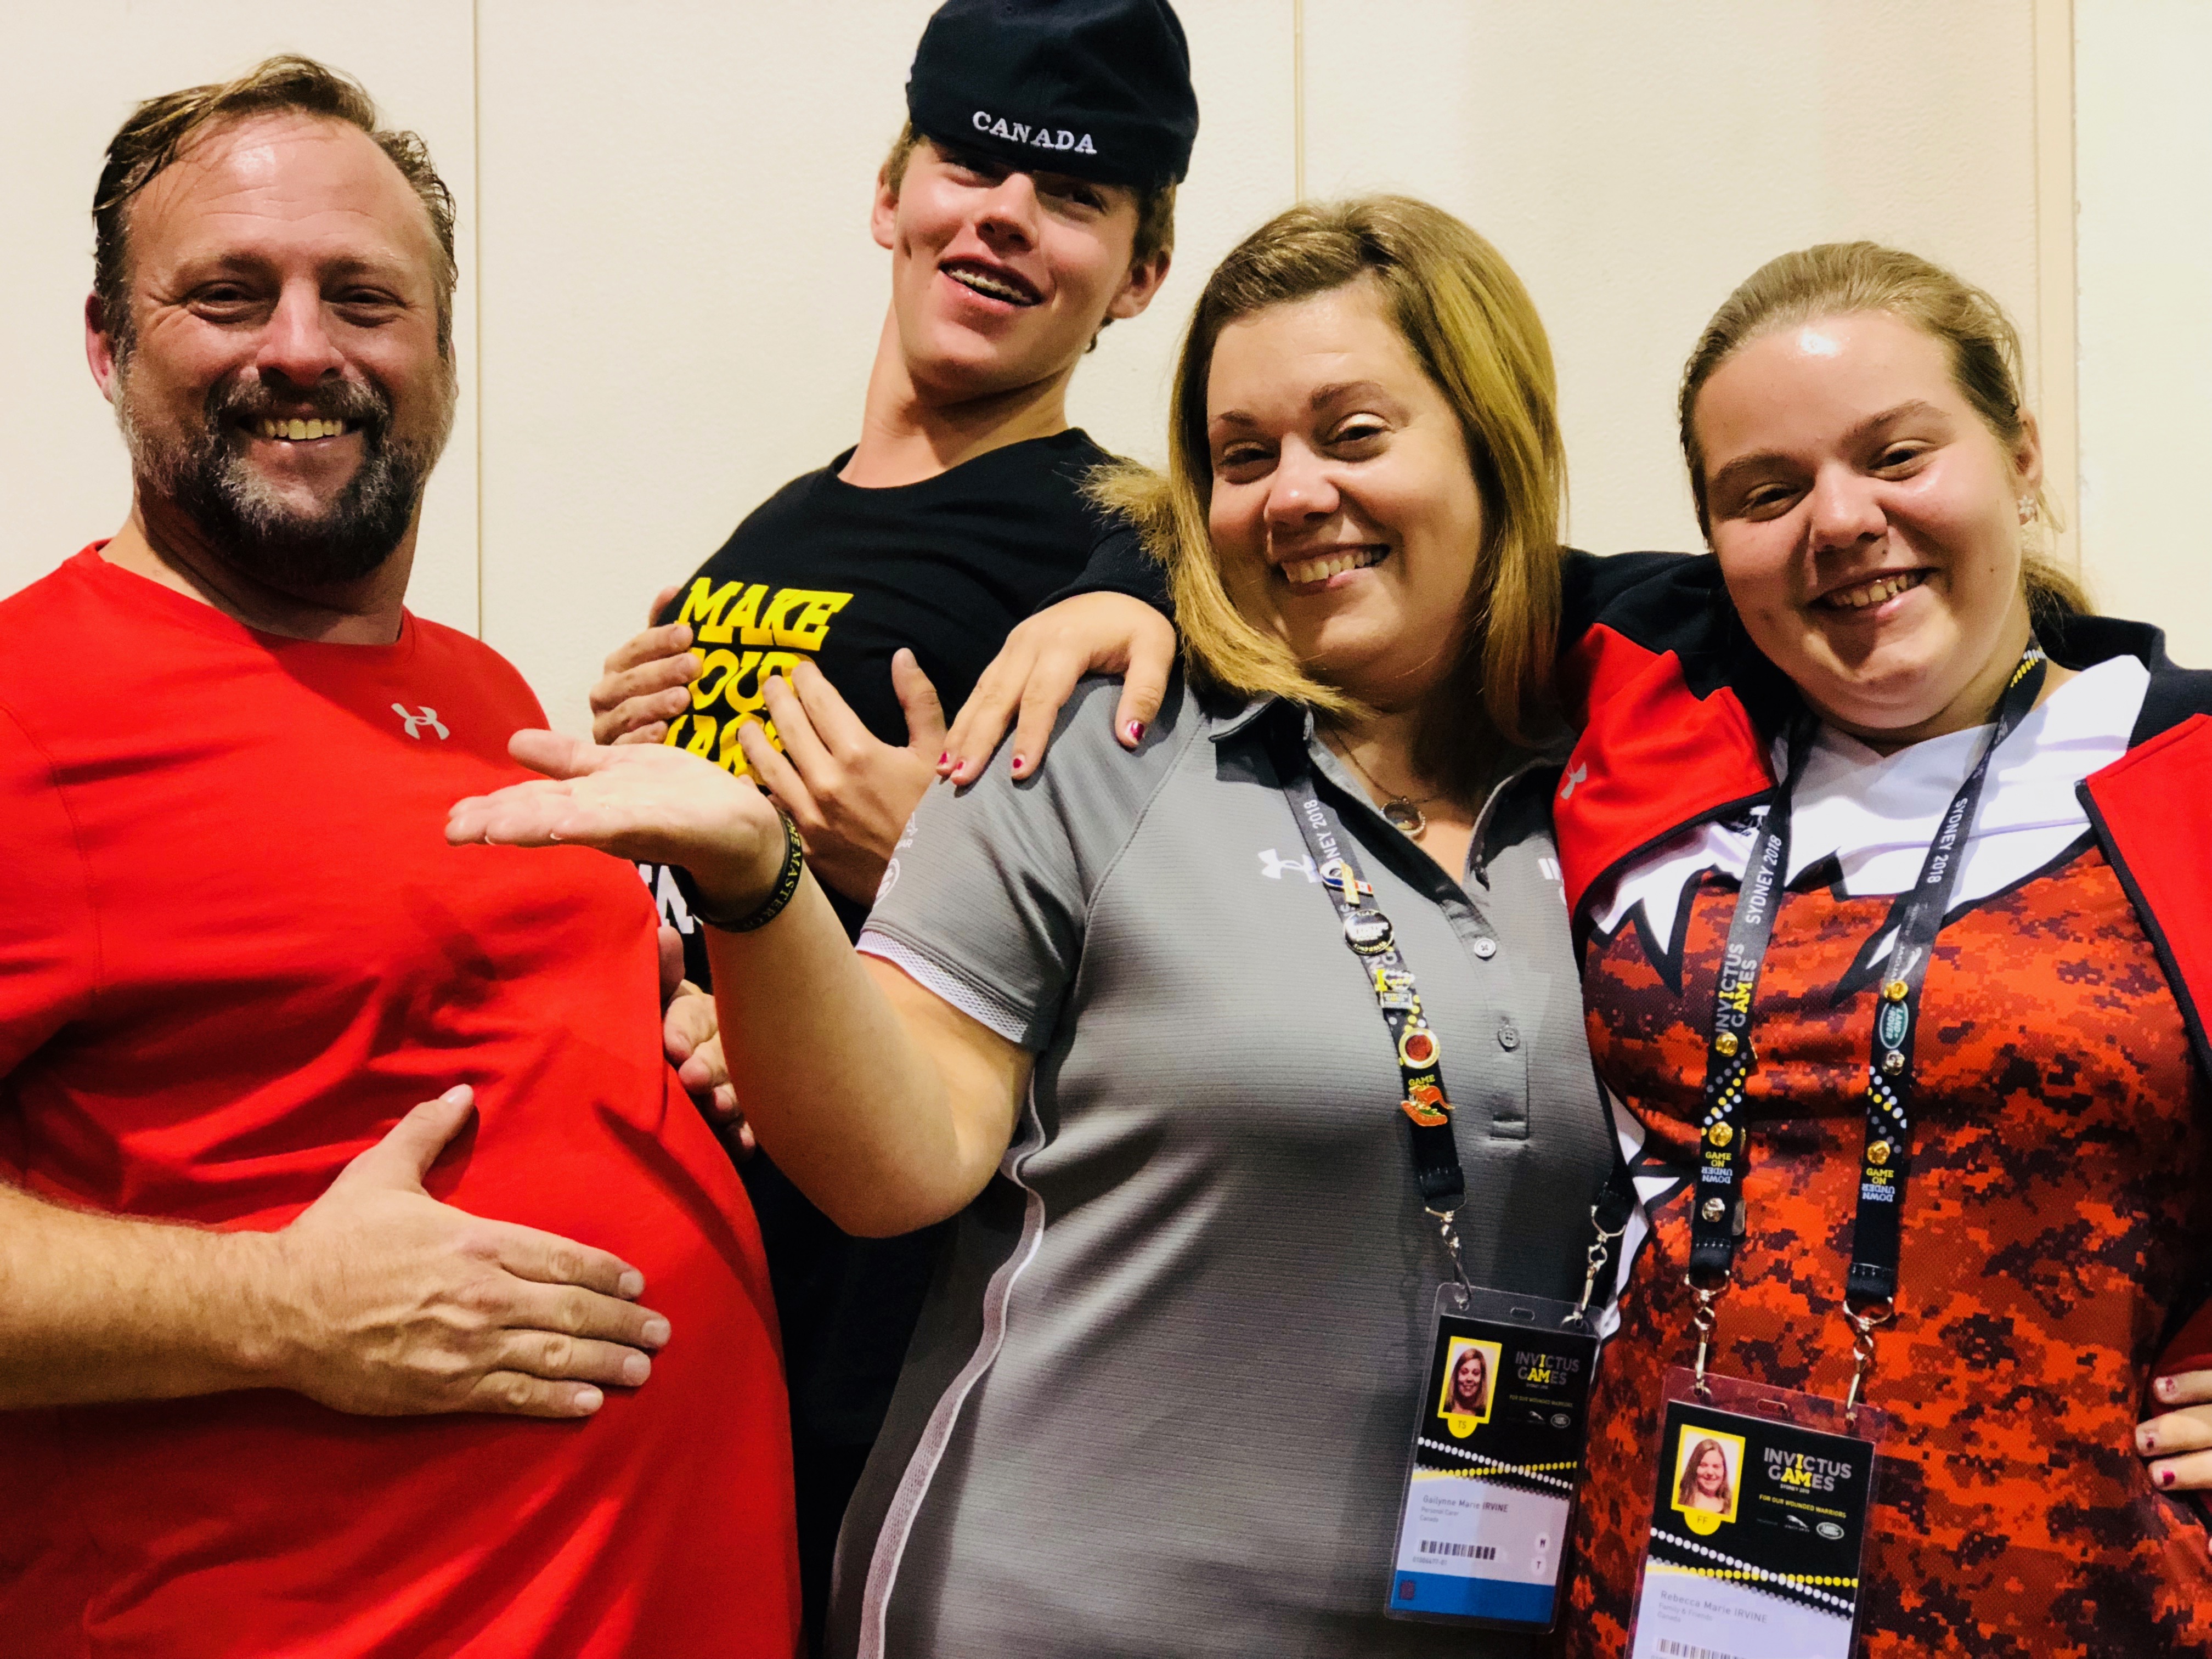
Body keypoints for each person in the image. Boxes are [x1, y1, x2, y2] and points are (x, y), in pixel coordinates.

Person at [966, 237, 2212, 1655]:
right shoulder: (1647, 687)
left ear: (2020, 454)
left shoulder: (2181, 775)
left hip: (2083, 1606)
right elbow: (1366, 539)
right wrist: (1123, 584)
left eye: (1898, 456)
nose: (1841, 521)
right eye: (1767, 491)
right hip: (1646, 1602)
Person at [450, 196, 1617, 1657]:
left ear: (1495, 439)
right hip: (1060, 1612)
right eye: (1243, 457)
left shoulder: (1629, 775)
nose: (1295, 494)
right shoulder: (1094, 735)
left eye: (1355, 434)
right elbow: (901, 1153)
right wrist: (762, 883)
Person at [0, 58, 795, 1655]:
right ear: (105, 342)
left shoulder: (479, 692)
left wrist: (671, 1032)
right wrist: (281, 1309)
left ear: (439, 352)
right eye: (229, 294)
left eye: (364, 298)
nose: (304, 347)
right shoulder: (30, 705)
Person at [584, 2, 1196, 1638]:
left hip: (906, 1361)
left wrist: (924, 876)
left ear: (1142, 273)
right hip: (694, 1325)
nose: (1005, 215)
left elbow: (1206, 965)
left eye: (1073, 197)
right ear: (891, 194)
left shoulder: (1131, 548)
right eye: (972, 164)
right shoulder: (765, 536)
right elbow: (690, 908)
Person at [1675, 1439, 1731, 1514]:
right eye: (1703, 1465)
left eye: (1716, 1466)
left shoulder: (1732, 1506)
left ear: (1724, 1470)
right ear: (1693, 1467)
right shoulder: (1678, 1497)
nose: (1710, 1472)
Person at [1445, 1344, 1491, 1418]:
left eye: (1476, 1373)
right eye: (1464, 1372)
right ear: (1456, 1376)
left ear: (1482, 1379)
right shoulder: (1443, 1408)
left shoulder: (1486, 1415)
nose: (1469, 1379)